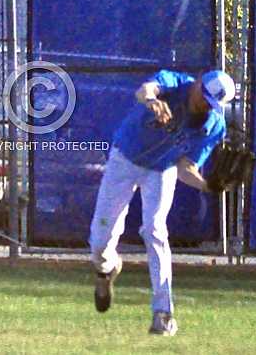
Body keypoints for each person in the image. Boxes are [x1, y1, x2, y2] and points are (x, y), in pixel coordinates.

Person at [89, 69, 235, 336]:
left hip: (162, 169)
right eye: (205, 98)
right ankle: (107, 269)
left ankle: (163, 314)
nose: (206, 106)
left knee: (155, 230)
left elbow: (185, 166)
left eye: (212, 104)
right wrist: (153, 100)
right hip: (126, 159)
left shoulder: (213, 124)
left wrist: (207, 185)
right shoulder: (175, 84)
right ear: (199, 84)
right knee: (100, 242)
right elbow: (144, 90)